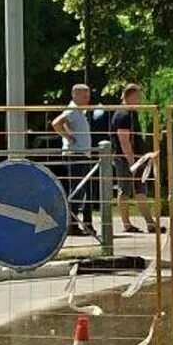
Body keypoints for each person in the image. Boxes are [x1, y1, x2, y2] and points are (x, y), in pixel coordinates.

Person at [109, 83, 162, 233]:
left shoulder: (131, 113)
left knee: (140, 190)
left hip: (136, 158)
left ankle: (150, 223)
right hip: (125, 159)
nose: (140, 100)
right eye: (138, 97)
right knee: (124, 190)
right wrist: (132, 161)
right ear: (130, 96)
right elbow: (123, 140)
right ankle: (127, 224)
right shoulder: (123, 115)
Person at [51, 83, 98, 236]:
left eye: (88, 95)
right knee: (77, 189)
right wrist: (68, 137)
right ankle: (71, 224)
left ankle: (85, 223)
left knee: (83, 189)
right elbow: (56, 123)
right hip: (75, 154)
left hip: (82, 154)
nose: (87, 98)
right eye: (84, 96)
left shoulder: (79, 111)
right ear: (75, 95)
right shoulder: (72, 110)